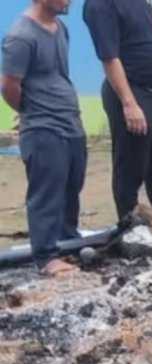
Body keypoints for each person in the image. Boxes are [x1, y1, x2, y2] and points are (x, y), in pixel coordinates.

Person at [2, 0, 85, 276]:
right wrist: (34, 111)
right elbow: (9, 86)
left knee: (71, 187)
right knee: (46, 194)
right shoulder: (21, 36)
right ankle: (46, 257)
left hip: (70, 122)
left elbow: (57, 75)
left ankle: (68, 245)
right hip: (43, 127)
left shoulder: (60, 27)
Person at [83, 0, 152, 224]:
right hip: (132, 92)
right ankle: (128, 223)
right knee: (131, 165)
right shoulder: (100, 5)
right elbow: (109, 57)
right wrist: (129, 103)